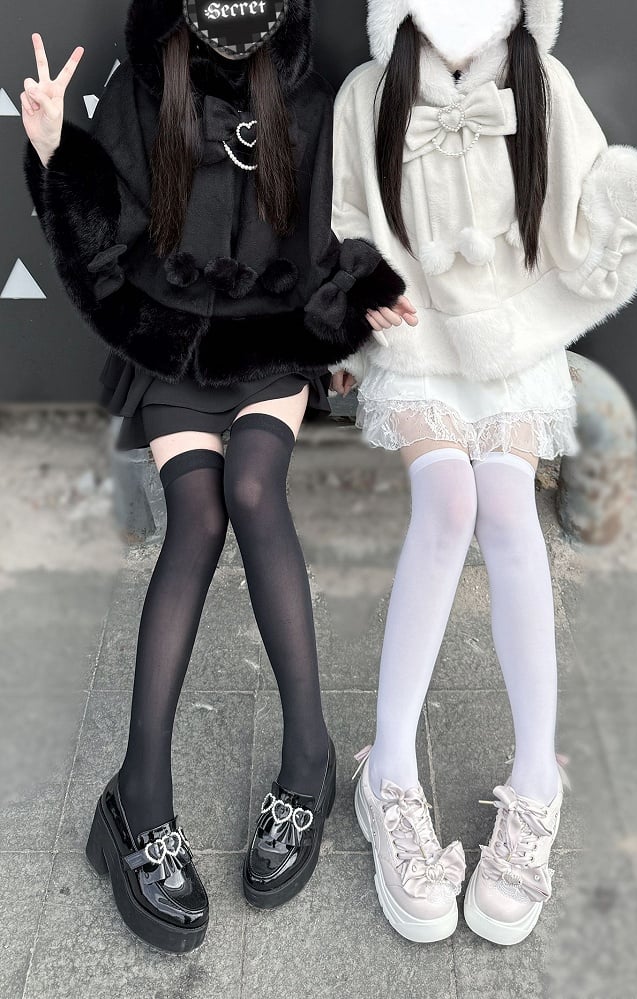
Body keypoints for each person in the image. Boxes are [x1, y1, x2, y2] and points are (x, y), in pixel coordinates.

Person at [333, 0, 637, 945]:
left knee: (509, 512)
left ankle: (537, 780)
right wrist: (357, 301)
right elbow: (346, 218)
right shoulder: (368, 91)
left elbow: (591, 188)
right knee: (448, 504)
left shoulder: (538, 80)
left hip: (511, 339)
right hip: (418, 338)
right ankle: (388, 775)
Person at [21, 0, 409, 953]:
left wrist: (362, 296)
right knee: (194, 517)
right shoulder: (148, 83)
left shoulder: (305, 89)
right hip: (172, 345)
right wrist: (55, 151)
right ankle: (137, 799)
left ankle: (308, 761)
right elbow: (105, 240)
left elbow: (334, 227)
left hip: (268, 345)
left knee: (253, 489)